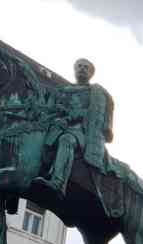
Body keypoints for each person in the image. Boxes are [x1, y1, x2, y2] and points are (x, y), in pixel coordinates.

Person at [36, 58, 114, 198]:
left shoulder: (94, 92)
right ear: (74, 69)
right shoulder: (63, 90)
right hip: (58, 127)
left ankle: (58, 183)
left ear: (91, 73)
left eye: (86, 67)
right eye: (79, 66)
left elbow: (95, 114)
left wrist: (73, 116)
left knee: (66, 140)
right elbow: (51, 110)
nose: (82, 69)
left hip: (81, 132)